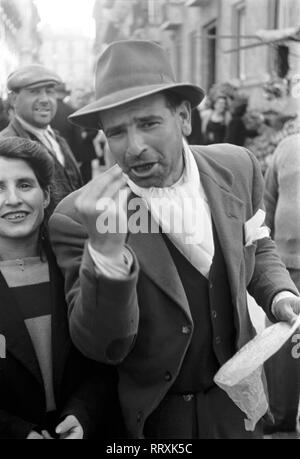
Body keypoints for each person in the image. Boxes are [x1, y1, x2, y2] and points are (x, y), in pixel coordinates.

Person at [49, 40, 300, 439]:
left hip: (238, 407)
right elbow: (101, 346)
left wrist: (280, 296)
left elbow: (258, 243)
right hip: (153, 421)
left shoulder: (236, 167)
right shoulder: (78, 217)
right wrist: (106, 250)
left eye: (149, 123)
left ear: (183, 118)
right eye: (116, 132)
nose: (134, 148)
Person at [0, 137, 118, 439]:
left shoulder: (78, 267)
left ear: (47, 195)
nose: (12, 199)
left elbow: (105, 357)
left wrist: (82, 413)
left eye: (25, 185)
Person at [0, 65, 82, 211]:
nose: (45, 99)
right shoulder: (5, 144)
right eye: (34, 92)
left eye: (50, 91)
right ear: (13, 99)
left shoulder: (56, 138)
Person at [263, 133, 300, 434]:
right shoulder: (287, 146)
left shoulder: (287, 145)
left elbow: (267, 201)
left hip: (286, 262)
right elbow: (267, 203)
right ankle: (280, 416)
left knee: (287, 347)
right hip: (287, 267)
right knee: (285, 348)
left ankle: (280, 416)